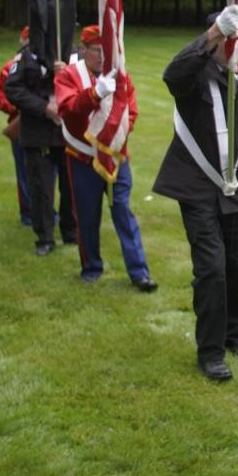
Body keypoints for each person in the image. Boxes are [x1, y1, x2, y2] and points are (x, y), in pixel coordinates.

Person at [153, 7, 238, 380]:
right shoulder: (195, 78)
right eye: (233, 43)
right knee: (212, 270)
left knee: (237, 266)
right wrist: (214, 32)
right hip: (199, 189)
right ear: (217, 43)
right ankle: (211, 351)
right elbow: (173, 72)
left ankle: (234, 332)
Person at [54, 25, 158, 291]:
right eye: (97, 50)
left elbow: (130, 111)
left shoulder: (120, 75)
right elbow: (68, 109)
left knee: (123, 210)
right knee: (87, 216)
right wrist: (94, 94)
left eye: (106, 50)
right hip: (83, 157)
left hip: (116, 156)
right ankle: (91, 267)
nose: (102, 56)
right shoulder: (68, 75)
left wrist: (116, 135)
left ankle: (139, 272)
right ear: (83, 49)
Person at [4, 33, 77, 255]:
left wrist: (66, 75)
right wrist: (43, 107)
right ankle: (45, 237)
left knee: (71, 187)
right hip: (38, 133)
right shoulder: (27, 56)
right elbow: (13, 89)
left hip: (68, 134)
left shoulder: (75, 56)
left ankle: (71, 231)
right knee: (41, 188)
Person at [0, 26, 34, 227]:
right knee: (24, 172)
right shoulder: (11, 66)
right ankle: (27, 213)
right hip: (21, 123)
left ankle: (45, 211)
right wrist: (17, 108)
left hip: (41, 124)